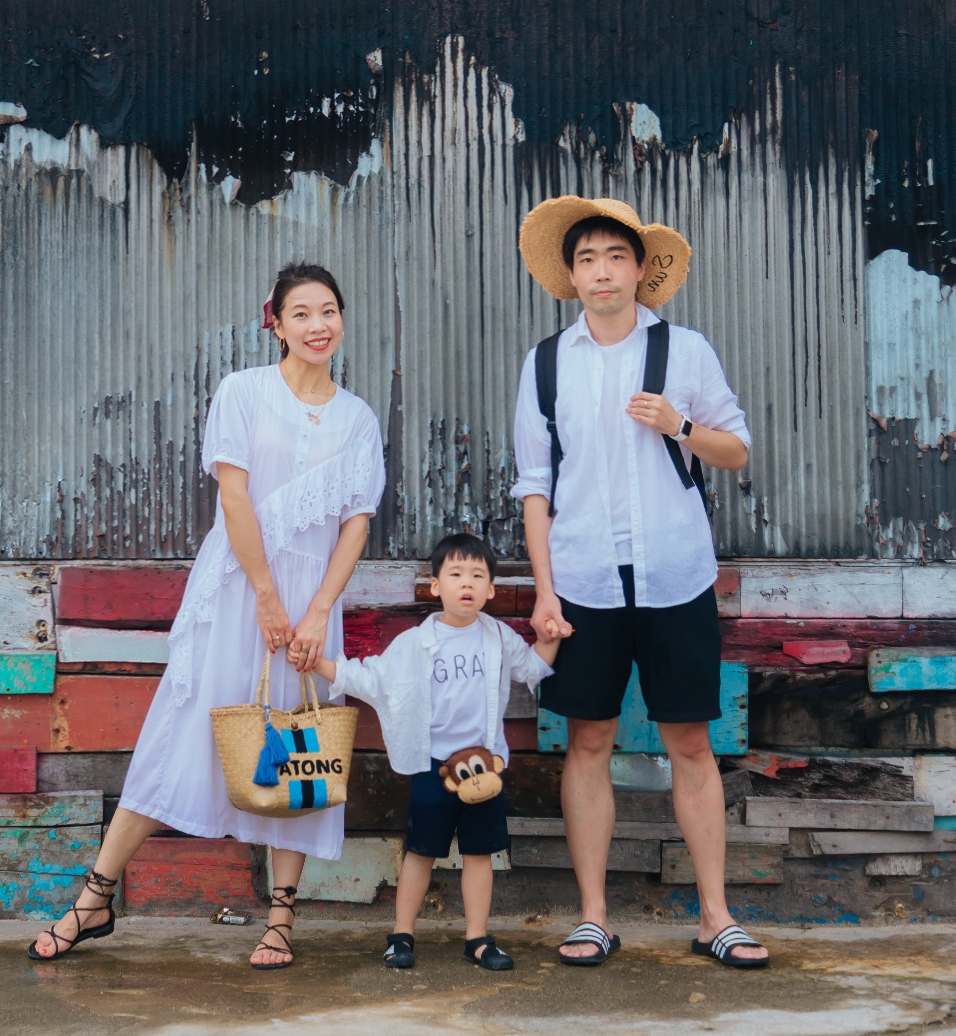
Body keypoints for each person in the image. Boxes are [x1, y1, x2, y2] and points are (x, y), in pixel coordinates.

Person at [28, 262, 386, 971]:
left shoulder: (358, 417)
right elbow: (234, 497)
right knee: (180, 731)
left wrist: (316, 610)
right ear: (275, 323)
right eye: (302, 314)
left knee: (298, 743)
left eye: (328, 312)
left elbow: (355, 524)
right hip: (236, 592)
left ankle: (280, 920)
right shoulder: (244, 393)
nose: (318, 326)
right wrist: (264, 594)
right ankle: (94, 898)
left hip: (312, 606)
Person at [512, 196, 770, 972]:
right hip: (584, 578)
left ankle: (714, 916)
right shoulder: (547, 361)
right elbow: (534, 486)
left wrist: (680, 427)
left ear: (639, 269)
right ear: (570, 274)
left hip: (674, 574)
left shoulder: (685, 352)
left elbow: (736, 451)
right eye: (586, 259)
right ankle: (593, 917)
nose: (600, 272)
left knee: (688, 741)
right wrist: (544, 590)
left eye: (614, 257)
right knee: (586, 740)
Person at [312, 531, 559, 973]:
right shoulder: (414, 644)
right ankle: (401, 935)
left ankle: (478, 938)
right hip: (432, 767)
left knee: (480, 852)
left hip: (484, 769)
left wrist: (553, 633)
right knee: (421, 850)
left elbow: (534, 667)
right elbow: (370, 679)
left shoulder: (498, 637)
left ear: (491, 590)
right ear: (435, 586)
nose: (467, 583)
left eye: (477, 575)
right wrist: (318, 664)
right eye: (456, 574)